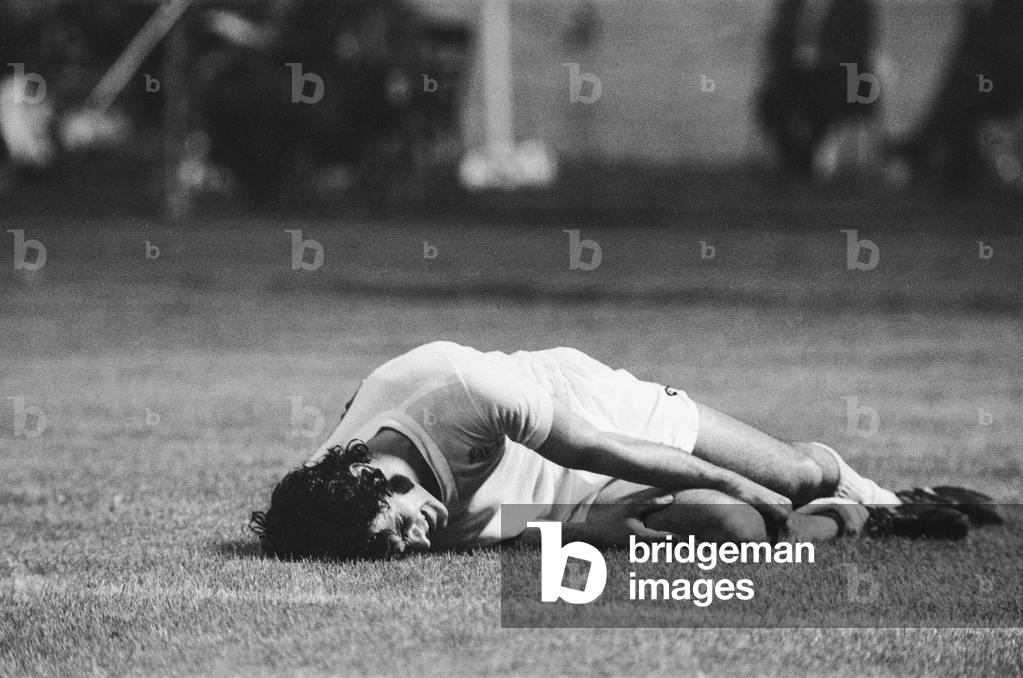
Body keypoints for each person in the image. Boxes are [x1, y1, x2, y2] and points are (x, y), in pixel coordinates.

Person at [250, 341, 997, 560]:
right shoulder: (340, 504)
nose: (413, 543)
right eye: (396, 548)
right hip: (557, 495)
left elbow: (610, 451)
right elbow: (496, 532)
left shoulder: (460, 387)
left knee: (789, 478)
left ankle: (880, 497)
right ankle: (865, 520)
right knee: (733, 534)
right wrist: (575, 532)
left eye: (401, 527)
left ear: (379, 479)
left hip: (591, 415)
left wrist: (741, 483)